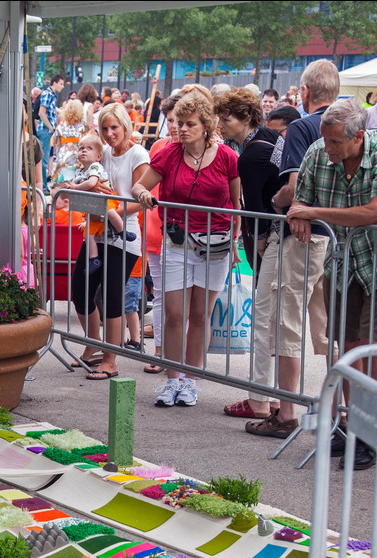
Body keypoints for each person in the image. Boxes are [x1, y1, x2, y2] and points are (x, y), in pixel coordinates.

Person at [259, 99, 377, 471]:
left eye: (335, 143)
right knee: (343, 347)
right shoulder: (316, 151)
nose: (327, 149)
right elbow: (299, 201)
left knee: (369, 348)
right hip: (340, 263)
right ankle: (347, 424)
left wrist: (313, 213)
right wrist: (300, 216)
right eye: (325, 140)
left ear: (359, 137)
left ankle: (371, 432)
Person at [232, 60, 339, 426]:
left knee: (282, 322)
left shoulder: (302, 128)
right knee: (328, 328)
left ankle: (286, 411)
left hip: (302, 235)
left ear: (304, 92)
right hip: (340, 237)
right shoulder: (360, 125)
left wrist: (282, 203)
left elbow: (292, 187)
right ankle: (338, 410)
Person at [129, 90, 239, 405]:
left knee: (201, 314)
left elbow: (235, 202)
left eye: (189, 123)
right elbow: (140, 185)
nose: (182, 129)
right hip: (176, 240)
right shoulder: (168, 153)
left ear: (206, 125)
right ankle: (173, 379)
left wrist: (233, 244)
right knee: (175, 314)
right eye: (179, 122)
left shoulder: (227, 156)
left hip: (215, 244)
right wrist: (143, 195)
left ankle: (191, 380)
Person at [66, 102, 150, 380]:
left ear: (125, 125)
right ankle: (94, 345)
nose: (110, 133)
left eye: (114, 127)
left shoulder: (138, 153)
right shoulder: (102, 154)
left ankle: (110, 360)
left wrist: (110, 210)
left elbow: (142, 199)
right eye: (104, 128)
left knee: (113, 297)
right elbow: (90, 184)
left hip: (124, 234)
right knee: (80, 289)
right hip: (97, 230)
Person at [215, 87, 282, 276]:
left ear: (246, 119)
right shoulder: (269, 134)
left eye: (226, 120)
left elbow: (255, 208)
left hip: (277, 233)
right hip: (286, 227)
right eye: (219, 119)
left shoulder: (249, 158)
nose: (220, 125)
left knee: (266, 300)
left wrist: (260, 248)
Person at [71, 132, 134, 273]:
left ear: (99, 156)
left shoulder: (95, 167)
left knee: (110, 212)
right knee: (88, 235)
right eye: (81, 148)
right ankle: (94, 259)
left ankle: (123, 231)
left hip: (105, 199)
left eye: (89, 148)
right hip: (93, 206)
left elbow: (92, 182)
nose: (84, 151)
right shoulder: (80, 171)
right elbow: (72, 185)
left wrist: (75, 188)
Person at [50, 99, 88, 184]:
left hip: (63, 158)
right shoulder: (84, 126)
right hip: (78, 160)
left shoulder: (61, 125)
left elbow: (56, 143)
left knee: (62, 186)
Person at [37, 74, 65, 186]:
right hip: (45, 130)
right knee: (43, 160)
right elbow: (41, 113)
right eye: (61, 84)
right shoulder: (48, 94)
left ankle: (43, 185)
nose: (62, 86)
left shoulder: (50, 94)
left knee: (44, 159)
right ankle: (43, 185)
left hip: (46, 130)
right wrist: (50, 127)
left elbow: (50, 110)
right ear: (54, 83)